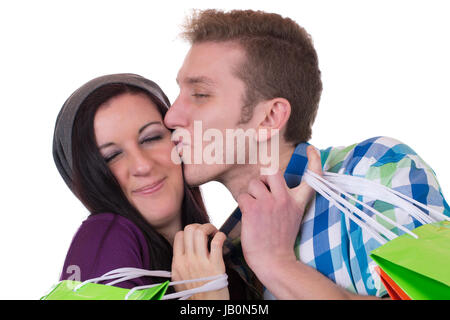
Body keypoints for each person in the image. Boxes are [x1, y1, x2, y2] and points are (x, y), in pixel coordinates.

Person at [164, 9, 450, 299]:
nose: (171, 116)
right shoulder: (222, 263)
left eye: (200, 94)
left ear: (270, 117)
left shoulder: (374, 169)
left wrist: (276, 262)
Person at [52, 73, 238, 299]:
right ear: (89, 181)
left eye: (150, 138)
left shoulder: (225, 249)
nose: (142, 165)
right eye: (111, 156)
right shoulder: (103, 234)